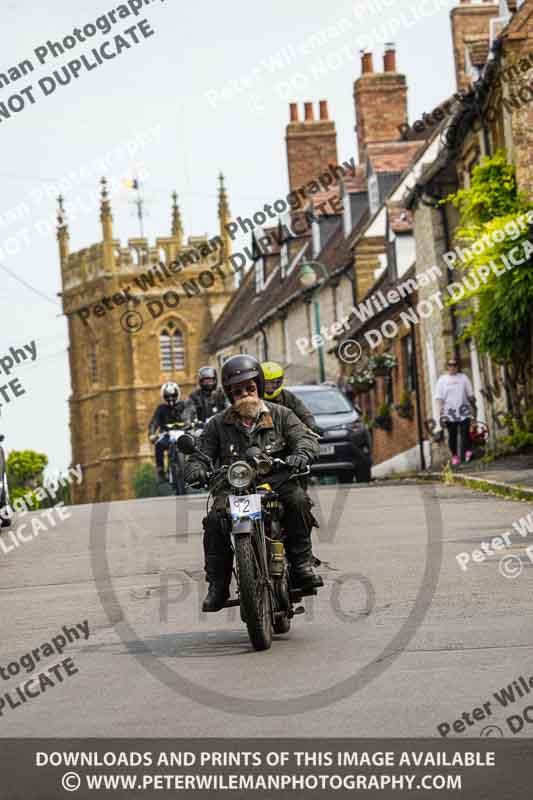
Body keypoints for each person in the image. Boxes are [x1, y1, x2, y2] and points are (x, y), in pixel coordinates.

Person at [185, 354, 323, 612]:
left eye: (250, 388)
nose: (245, 394)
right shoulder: (217, 424)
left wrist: (301, 453)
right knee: (215, 520)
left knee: (298, 500)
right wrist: (197, 469)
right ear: (229, 394)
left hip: (278, 480)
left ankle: (302, 563)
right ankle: (218, 584)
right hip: (236, 487)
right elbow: (200, 454)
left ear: (258, 387)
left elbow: (304, 437)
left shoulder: (282, 414)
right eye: (238, 391)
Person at [435, 358, 477, 465]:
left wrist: (473, 406)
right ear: (447, 367)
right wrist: (440, 410)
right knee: (452, 435)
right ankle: (455, 456)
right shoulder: (442, 380)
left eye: (454, 365)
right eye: (450, 365)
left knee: (465, 432)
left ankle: (468, 452)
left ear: (457, 367)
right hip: (449, 412)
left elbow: (470, 394)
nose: (452, 367)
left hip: (463, 410)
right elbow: (439, 397)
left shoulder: (463, 378)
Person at [261, 361, 322, 434]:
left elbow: (303, 413)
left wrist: (312, 425)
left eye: (278, 381)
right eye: (271, 382)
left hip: (285, 436)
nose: (275, 385)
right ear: (261, 381)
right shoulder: (254, 397)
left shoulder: (287, 396)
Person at [148, 382, 192, 481]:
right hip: (167, 435)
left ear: (178, 394)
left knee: (195, 444)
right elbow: (154, 422)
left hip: (183, 434)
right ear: (163, 396)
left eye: (173, 395)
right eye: (168, 396)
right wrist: (151, 434)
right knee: (158, 445)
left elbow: (189, 416)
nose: (171, 398)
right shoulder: (161, 409)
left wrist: (190, 423)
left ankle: (198, 468)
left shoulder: (184, 405)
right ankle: (160, 471)